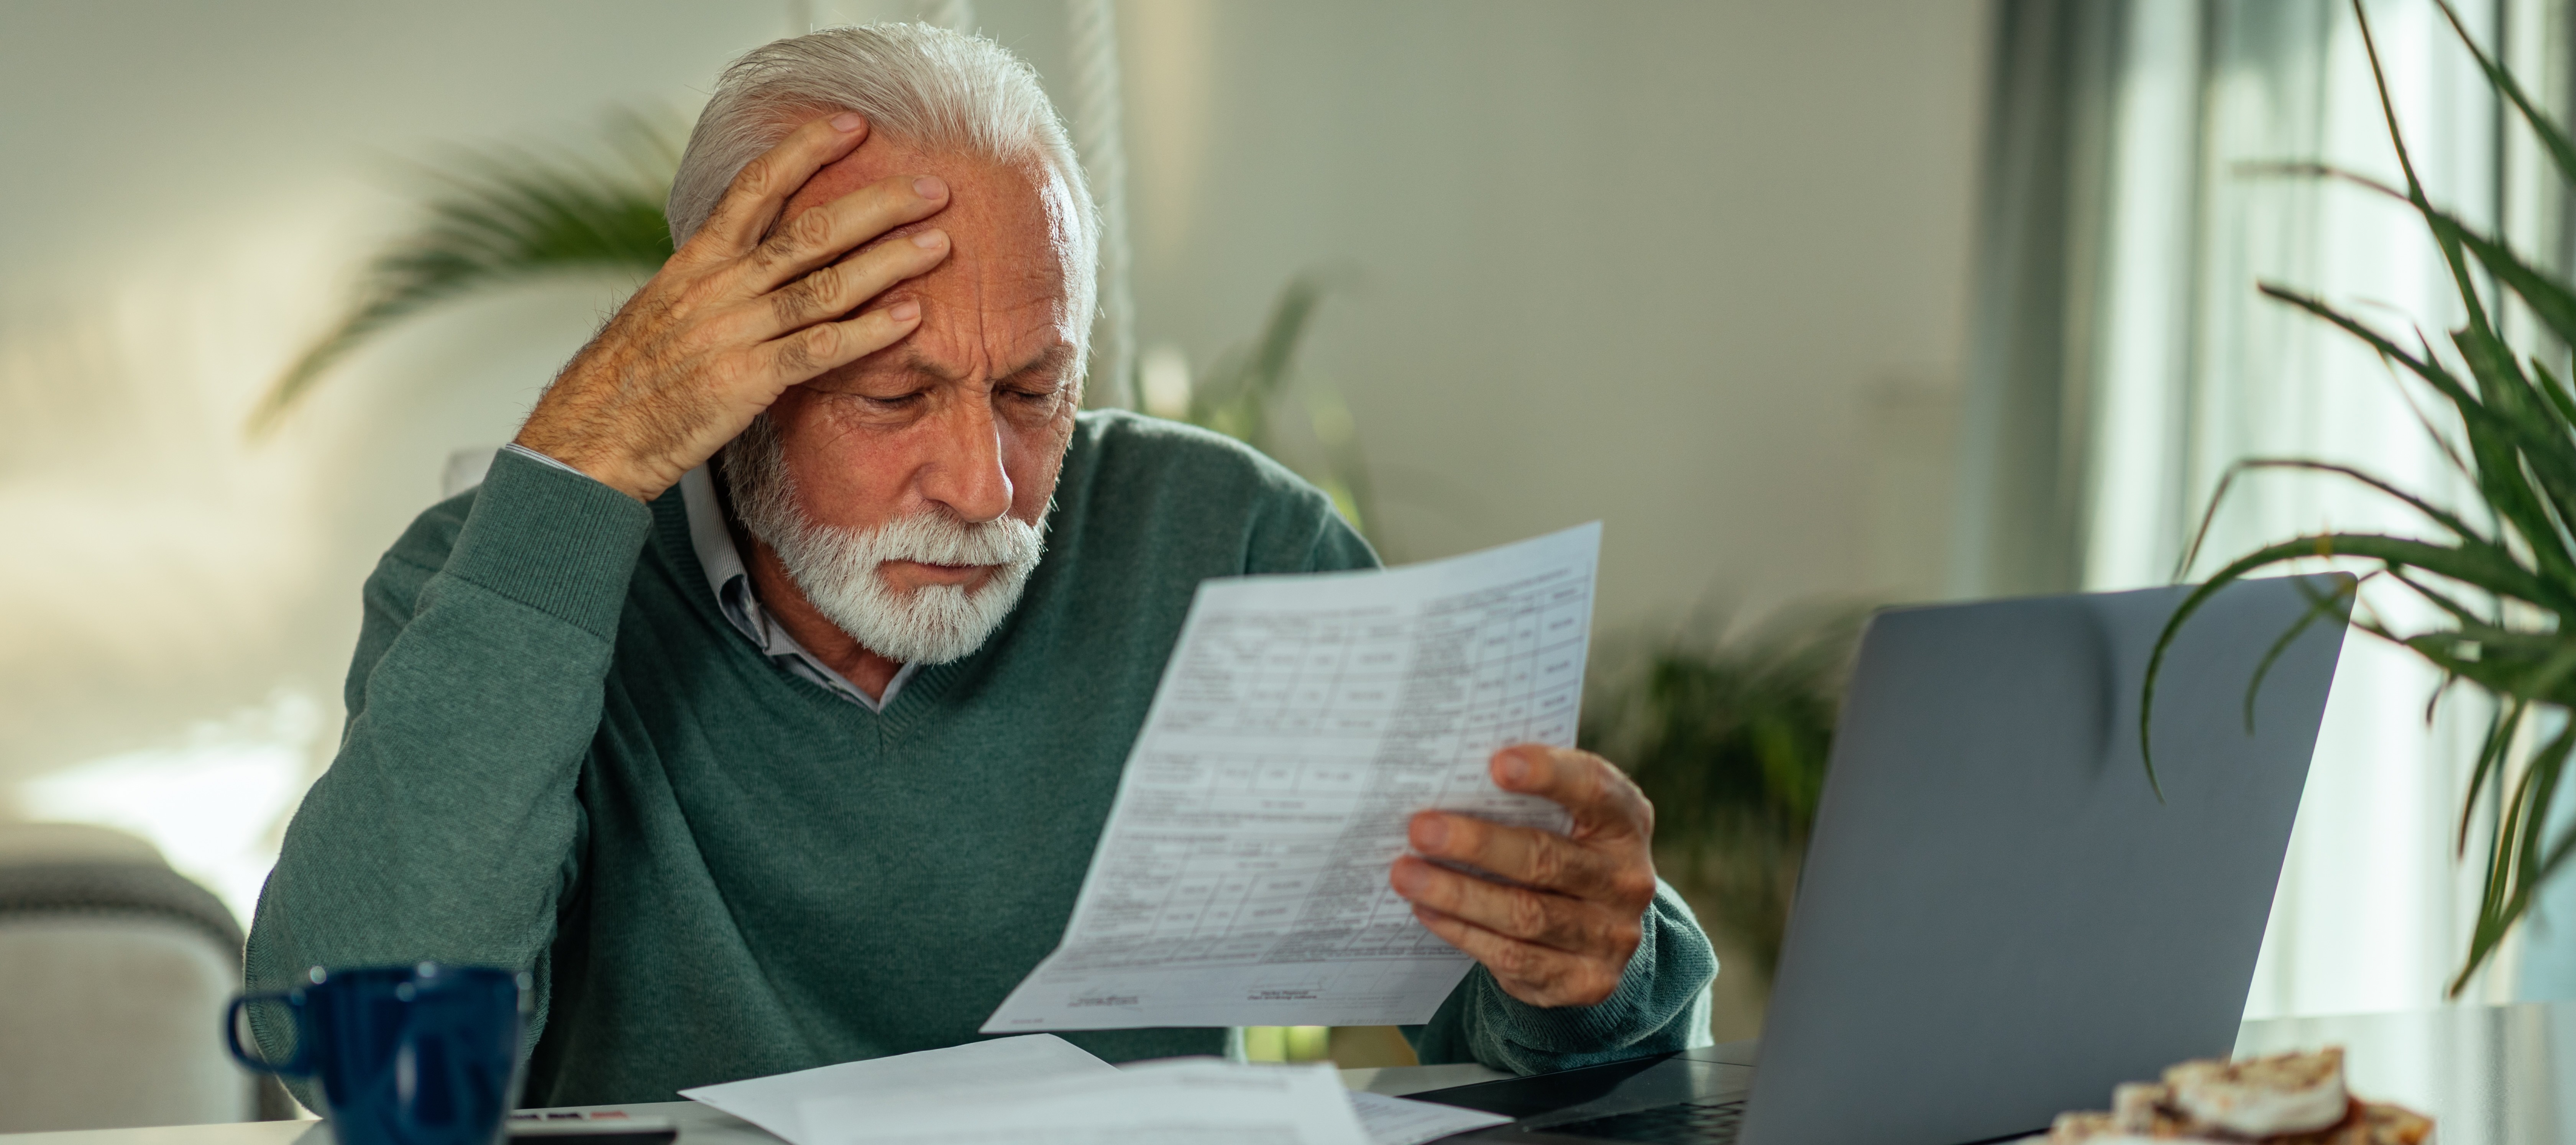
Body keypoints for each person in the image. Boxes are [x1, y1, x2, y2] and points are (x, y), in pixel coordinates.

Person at [246, 22, 1716, 1107]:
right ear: (724, 363)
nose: (984, 486)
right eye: (893, 397)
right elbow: (343, 1055)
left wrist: (1583, 961)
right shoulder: (497, 580)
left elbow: (1547, 1053)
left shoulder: (1234, 545)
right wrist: (580, 464)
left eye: (1032, 391)